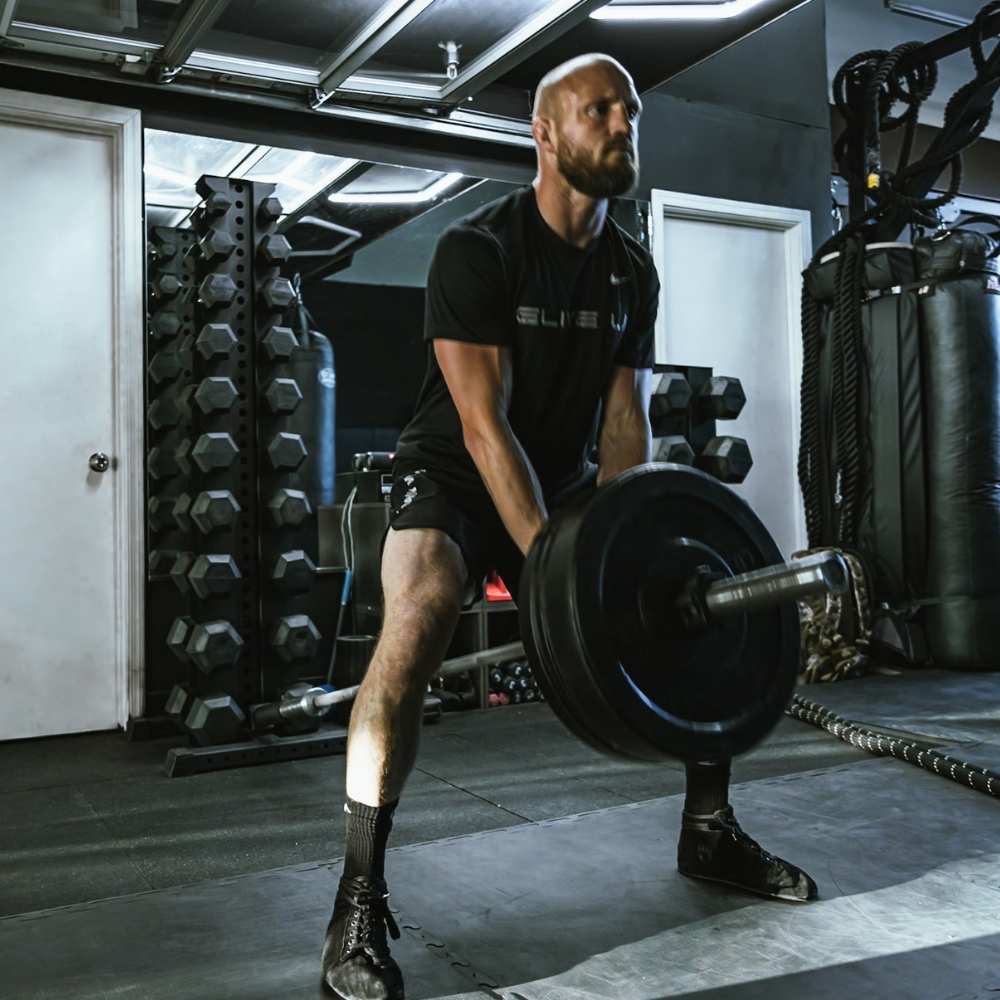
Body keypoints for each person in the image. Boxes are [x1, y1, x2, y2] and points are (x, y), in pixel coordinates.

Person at [321, 52, 817, 1000]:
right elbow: (481, 419)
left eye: (631, 114)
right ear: (546, 134)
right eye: (602, 113)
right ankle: (356, 899)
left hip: (559, 474)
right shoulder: (481, 249)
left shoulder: (631, 268)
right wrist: (553, 562)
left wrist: (622, 542)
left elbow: (622, 417)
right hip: (453, 473)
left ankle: (709, 830)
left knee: (688, 597)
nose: (625, 127)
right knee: (421, 611)